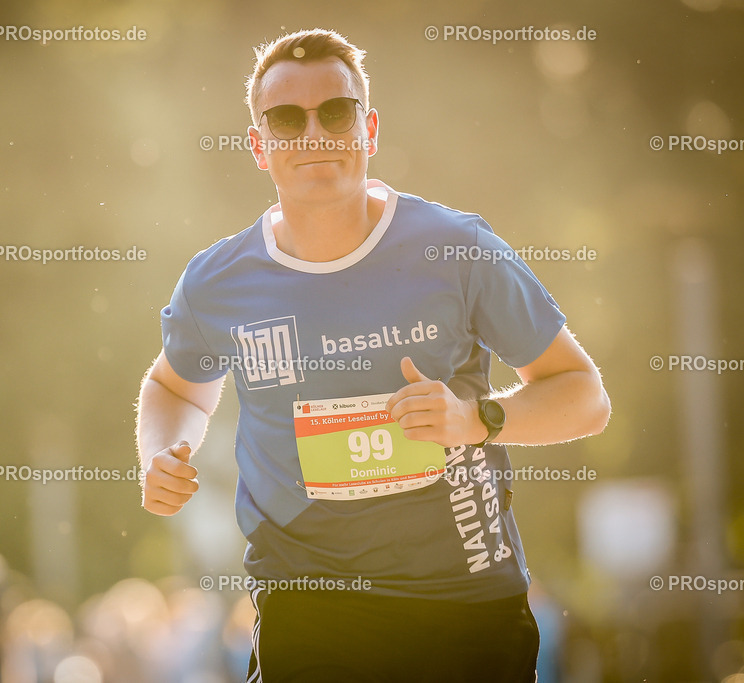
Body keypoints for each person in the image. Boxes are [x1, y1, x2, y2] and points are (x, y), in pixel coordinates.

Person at [135, 27, 610, 682]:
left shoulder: (458, 248)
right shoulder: (218, 281)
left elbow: (583, 393)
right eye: (285, 118)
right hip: (307, 602)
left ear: (370, 128)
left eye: (336, 111)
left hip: (463, 601)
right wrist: (160, 454)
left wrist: (476, 419)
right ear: (258, 145)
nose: (314, 134)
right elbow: (177, 387)